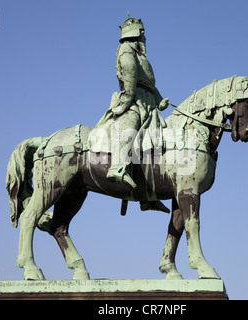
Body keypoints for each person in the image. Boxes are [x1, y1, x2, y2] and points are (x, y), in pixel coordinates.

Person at [95, 13, 170, 213]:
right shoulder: (126, 51)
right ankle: (117, 167)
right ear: (136, 34)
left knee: (155, 143)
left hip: (148, 103)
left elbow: (148, 83)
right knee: (129, 129)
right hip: (133, 101)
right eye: (143, 34)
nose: (145, 38)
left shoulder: (140, 55)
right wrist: (127, 102)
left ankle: (148, 195)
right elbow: (129, 77)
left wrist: (159, 99)